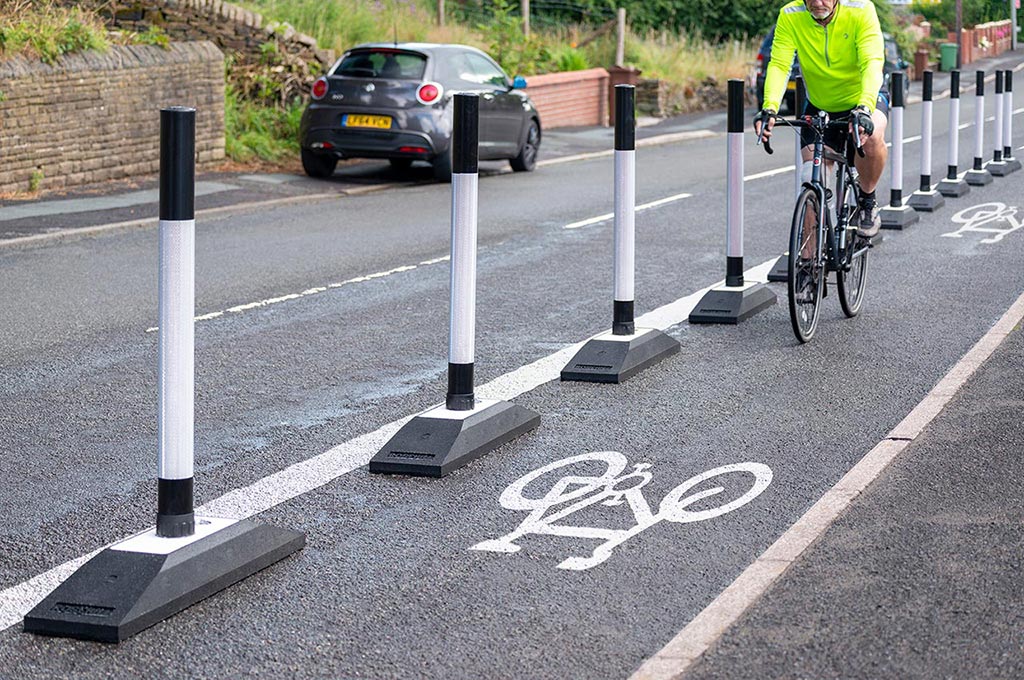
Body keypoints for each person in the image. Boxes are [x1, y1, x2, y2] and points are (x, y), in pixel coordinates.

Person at [754, 0, 888, 238]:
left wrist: (865, 107)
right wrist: (770, 109)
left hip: (863, 99)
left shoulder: (860, 9)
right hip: (820, 104)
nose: (817, 2)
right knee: (812, 180)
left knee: (872, 137)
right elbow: (780, 64)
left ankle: (867, 200)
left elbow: (871, 61)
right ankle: (807, 265)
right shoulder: (790, 14)